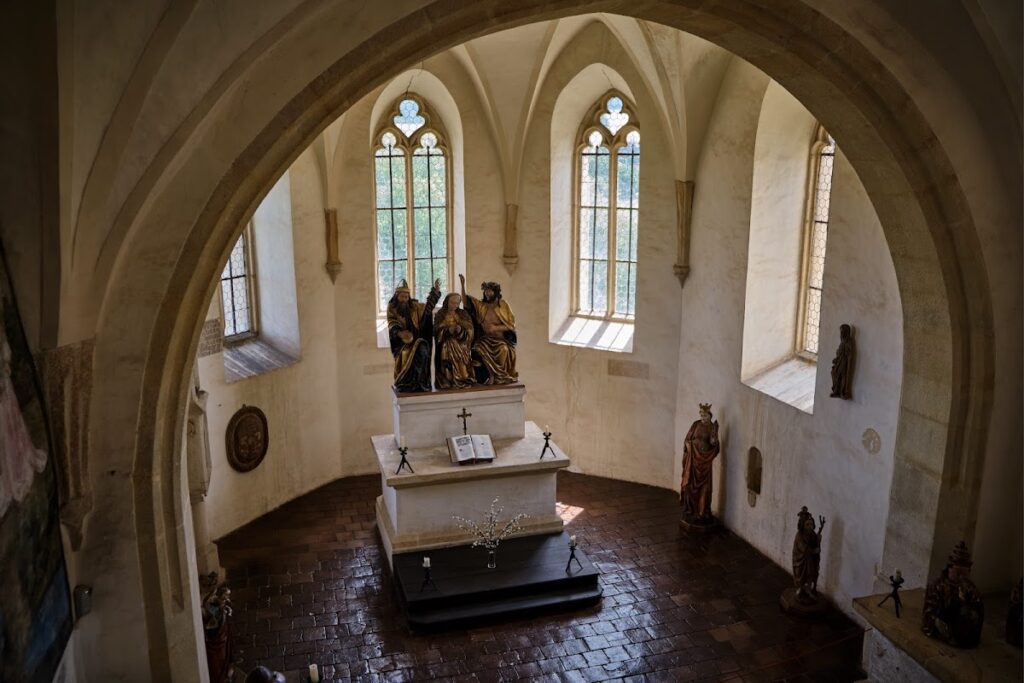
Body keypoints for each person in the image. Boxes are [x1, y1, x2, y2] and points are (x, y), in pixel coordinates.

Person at [459, 274, 518, 385]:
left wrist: (496, 327)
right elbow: (466, 301)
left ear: (496, 292)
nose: (487, 293)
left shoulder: (503, 305)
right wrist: (462, 285)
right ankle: (491, 375)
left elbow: (511, 325)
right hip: (485, 340)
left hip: (500, 340)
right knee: (479, 349)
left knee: (504, 350)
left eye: (490, 291)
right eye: (486, 291)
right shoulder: (481, 306)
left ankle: (500, 376)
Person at [386, 278, 441, 393]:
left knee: (423, 350)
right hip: (401, 343)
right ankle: (406, 382)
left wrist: (435, 293)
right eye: (402, 297)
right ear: (397, 296)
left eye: (406, 297)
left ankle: (420, 381)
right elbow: (392, 322)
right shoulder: (392, 308)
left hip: (417, 339)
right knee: (406, 354)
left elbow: (427, 309)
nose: (404, 299)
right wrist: (400, 333)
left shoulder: (415, 307)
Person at [679, 403, 720, 523]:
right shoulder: (696, 424)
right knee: (690, 484)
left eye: (705, 415)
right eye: (701, 415)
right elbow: (687, 439)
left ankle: (702, 512)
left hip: (704, 462)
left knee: (704, 488)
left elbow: (714, 444)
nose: (702, 417)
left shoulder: (712, 427)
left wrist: (714, 439)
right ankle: (690, 510)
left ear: (710, 415)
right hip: (692, 460)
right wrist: (688, 446)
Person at [433, 292, 476, 390]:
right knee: (450, 344)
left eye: (457, 303)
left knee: (459, 346)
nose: (454, 305)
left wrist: (461, 330)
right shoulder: (441, 314)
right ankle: (449, 377)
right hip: (446, 342)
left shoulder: (463, 314)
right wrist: (448, 330)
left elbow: (470, 329)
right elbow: (436, 330)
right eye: (452, 303)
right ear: (447, 302)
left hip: (462, 342)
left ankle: (463, 376)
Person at [792, 506, 825, 602]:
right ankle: (800, 589)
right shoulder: (799, 535)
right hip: (800, 560)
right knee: (800, 575)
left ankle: (808, 590)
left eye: (811, 524)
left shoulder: (812, 534)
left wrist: (818, 539)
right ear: (802, 525)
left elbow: (815, 543)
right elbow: (804, 548)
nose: (810, 526)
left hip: (809, 560)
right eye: (807, 524)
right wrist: (814, 551)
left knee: (810, 574)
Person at [830, 323, 855, 399]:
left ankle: (842, 391)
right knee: (834, 373)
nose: (841, 333)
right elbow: (839, 351)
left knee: (841, 376)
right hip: (839, 361)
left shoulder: (848, 342)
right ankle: (836, 390)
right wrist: (836, 359)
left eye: (842, 332)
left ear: (846, 332)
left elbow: (849, 353)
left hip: (843, 362)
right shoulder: (842, 341)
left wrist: (846, 355)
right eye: (841, 332)